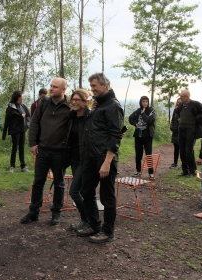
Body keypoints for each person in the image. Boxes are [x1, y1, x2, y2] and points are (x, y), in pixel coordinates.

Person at [76, 72, 124, 243]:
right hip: (91, 157)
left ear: (105, 86)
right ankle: (94, 225)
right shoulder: (100, 104)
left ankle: (108, 232)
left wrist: (107, 162)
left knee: (107, 196)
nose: (92, 89)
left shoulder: (113, 106)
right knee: (86, 191)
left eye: (95, 86)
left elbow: (115, 135)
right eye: (91, 87)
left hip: (104, 159)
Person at [20, 77, 70, 225]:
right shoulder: (44, 102)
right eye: (51, 86)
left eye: (55, 87)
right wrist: (32, 143)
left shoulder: (69, 106)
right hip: (42, 150)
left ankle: (56, 213)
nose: (51, 89)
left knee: (59, 183)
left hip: (60, 152)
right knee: (38, 182)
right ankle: (34, 212)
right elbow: (34, 122)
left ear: (63, 90)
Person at [67, 89, 91, 231]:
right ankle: (85, 220)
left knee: (74, 191)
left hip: (85, 160)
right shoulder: (72, 117)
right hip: (73, 159)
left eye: (77, 100)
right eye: (73, 99)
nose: (74, 102)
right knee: (80, 192)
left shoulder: (90, 117)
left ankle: (88, 219)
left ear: (85, 102)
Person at [175, 89, 202, 177]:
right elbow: (176, 113)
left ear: (187, 97)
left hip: (191, 129)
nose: (180, 98)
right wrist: (178, 118)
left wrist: (195, 119)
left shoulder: (195, 104)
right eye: (180, 96)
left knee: (189, 151)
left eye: (182, 96)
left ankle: (193, 171)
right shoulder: (180, 105)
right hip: (182, 128)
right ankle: (185, 170)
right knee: (182, 150)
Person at [2, 90, 31, 173]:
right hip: (15, 130)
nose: (23, 97)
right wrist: (4, 133)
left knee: (22, 148)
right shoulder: (10, 107)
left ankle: (23, 166)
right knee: (15, 147)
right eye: (22, 96)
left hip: (22, 129)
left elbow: (28, 117)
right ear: (18, 97)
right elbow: (7, 120)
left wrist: (27, 125)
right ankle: (12, 166)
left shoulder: (23, 106)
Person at [129, 96, 156, 178]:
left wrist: (143, 114)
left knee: (148, 155)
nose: (145, 103)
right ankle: (138, 170)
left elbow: (150, 120)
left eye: (146, 102)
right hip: (138, 136)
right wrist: (135, 123)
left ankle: (151, 173)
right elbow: (130, 118)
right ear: (141, 102)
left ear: (148, 102)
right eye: (143, 102)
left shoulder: (151, 111)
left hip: (148, 136)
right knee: (138, 154)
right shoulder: (138, 111)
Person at [170, 98, 181, 168]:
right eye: (177, 103)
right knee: (176, 148)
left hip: (182, 132)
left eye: (180, 103)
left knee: (183, 149)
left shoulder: (183, 111)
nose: (178, 105)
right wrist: (172, 127)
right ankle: (175, 162)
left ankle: (184, 164)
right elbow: (173, 120)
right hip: (175, 132)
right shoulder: (175, 111)